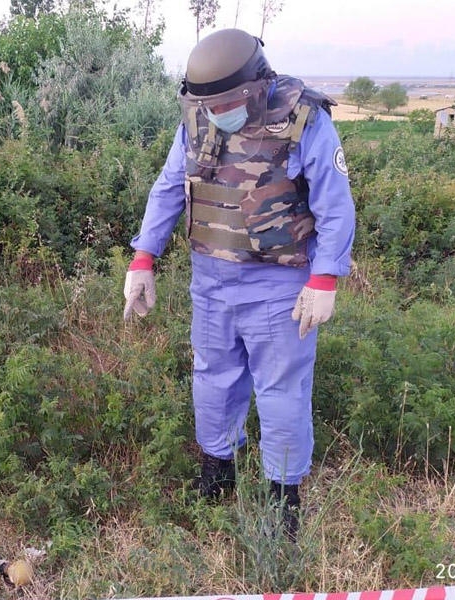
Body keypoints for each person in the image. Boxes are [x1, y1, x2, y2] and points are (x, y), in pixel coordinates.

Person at [123, 29, 355, 538]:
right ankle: (218, 471)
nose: (218, 112)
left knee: (281, 392)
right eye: (208, 104)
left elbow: (334, 206)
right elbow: (168, 188)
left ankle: (282, 498)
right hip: (211, 279)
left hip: (279, 283)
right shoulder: (197, 116)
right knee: (213, 377)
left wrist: (325, 278)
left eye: (228, 102)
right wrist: (143, 258)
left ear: (257, 85)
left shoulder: (303, 120)